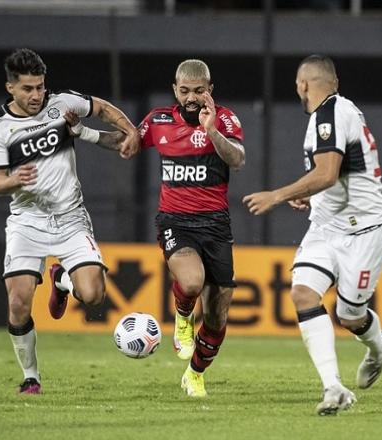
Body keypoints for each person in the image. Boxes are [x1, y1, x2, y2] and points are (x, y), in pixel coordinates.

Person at [243, 55, 382, 415]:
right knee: (302, 292)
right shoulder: (334, 112)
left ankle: (377, 346)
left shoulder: (329, 114)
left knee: (350, 315)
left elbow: (327, 172)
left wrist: (277, 195)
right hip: (327, 227)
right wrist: (309, 194)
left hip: (366, 229)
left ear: (302, 85)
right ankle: (334, 387)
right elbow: (337, 174)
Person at [0, 48, 140, 394]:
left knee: (94, 294)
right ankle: (31, 377)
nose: (37, 95)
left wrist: (130, 131)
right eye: (28, 89)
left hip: (70, 218)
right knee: (18, 303)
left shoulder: (62, 103)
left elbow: (100, 107)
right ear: (11, 87)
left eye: (40, 87)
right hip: (27, 221)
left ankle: (61, 281)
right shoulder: (0, 128)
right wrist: (14, 180)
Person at [137, 59, 245, 398]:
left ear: (210, 91)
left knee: (217, 314)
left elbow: (238, 159)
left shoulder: (225, 119)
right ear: (175, 90)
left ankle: (195, 373)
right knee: (192, 281)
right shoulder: (158, 121)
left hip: (215, 224)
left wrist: (211, 130)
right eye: (185, 91)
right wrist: (84, 132)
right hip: (175, 222)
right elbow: (127, 143)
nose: (192, 97)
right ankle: (183, 316)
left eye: (199, 91)